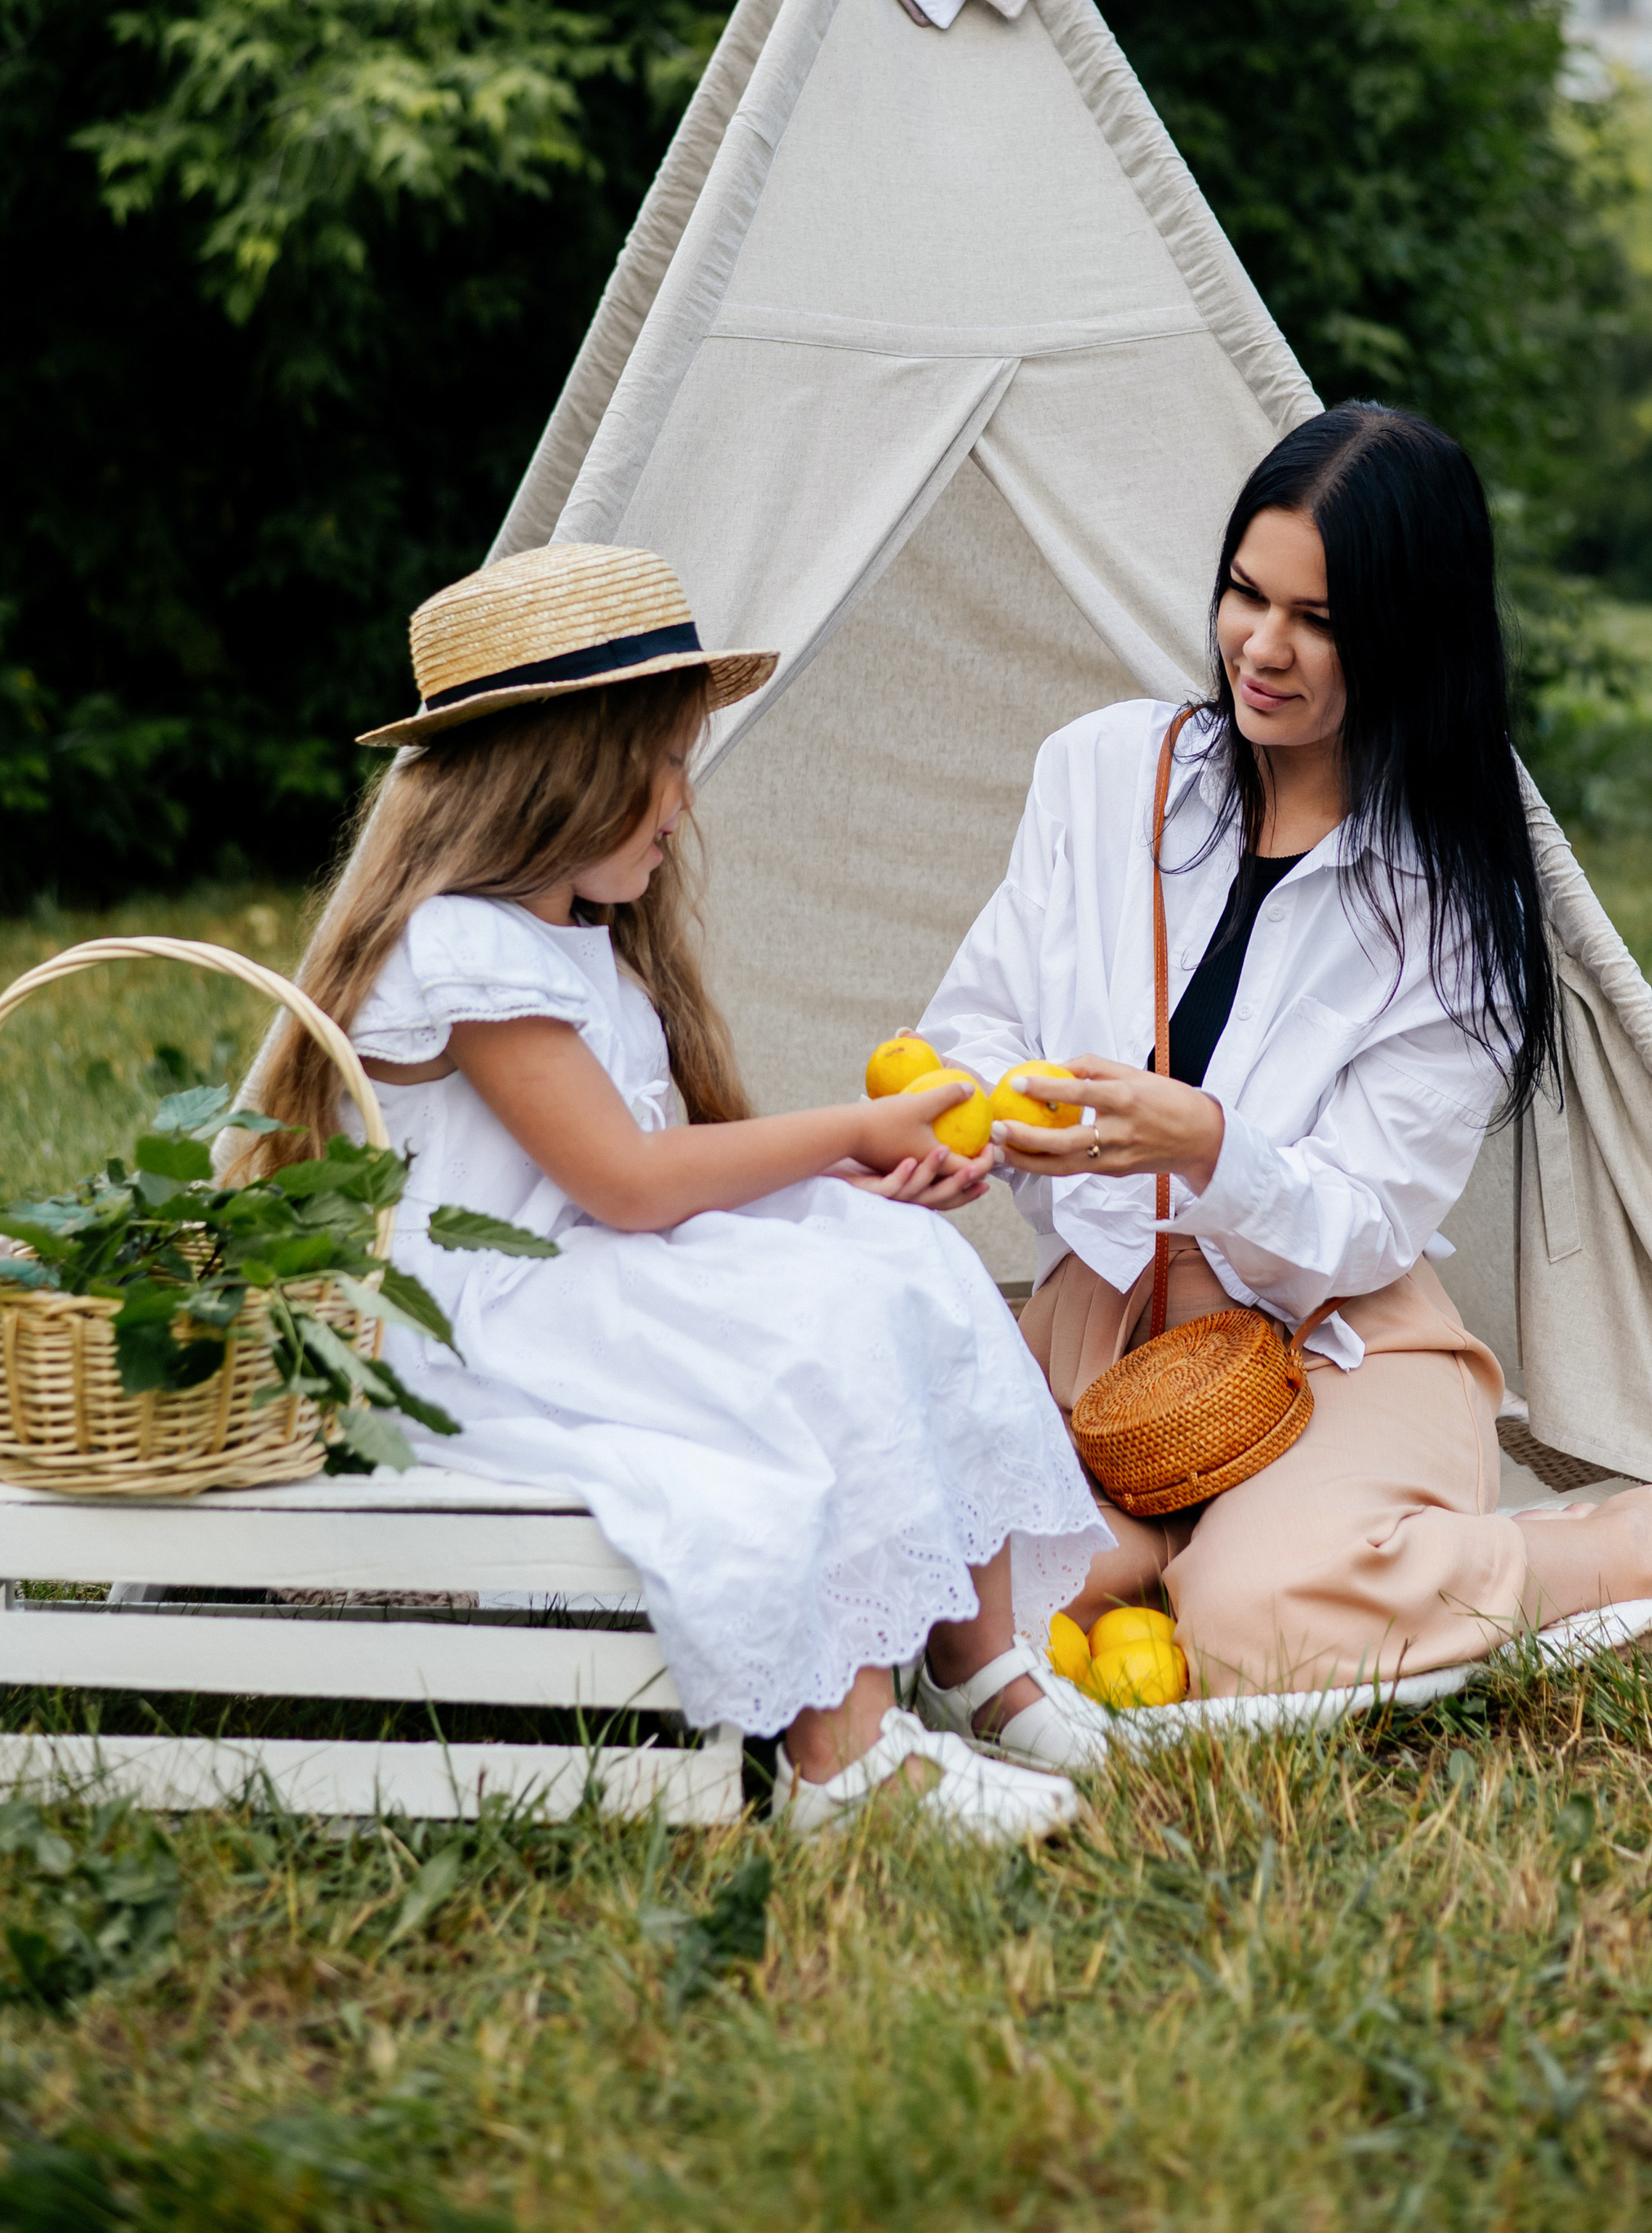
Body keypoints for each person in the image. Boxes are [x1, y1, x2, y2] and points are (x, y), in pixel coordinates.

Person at [914, 403, 1652, 1727]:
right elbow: (977, 1020)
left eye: (1319, 621)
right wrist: (981, 1122)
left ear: (1407, 637)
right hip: (1108, 1337)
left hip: (1333, 1350)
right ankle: (1166, 1552)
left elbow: (1372, 1218)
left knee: (1264, 1628)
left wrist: (1205, 1145)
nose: (1263, 650)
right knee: (963, 1605)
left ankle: (1620, 1549)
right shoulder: (1101, 774)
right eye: (1245, 596)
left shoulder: (1454, 905)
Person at [242, 541, 1107, 1838]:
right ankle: (842, 1756)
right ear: (564, 775)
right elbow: (630, 1182)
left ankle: (977, 1660)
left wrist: (849, 1184)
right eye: (661, 768)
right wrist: (845, 1129)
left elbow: (653, 1181)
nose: (679, 807)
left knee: (902, 1263)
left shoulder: (577, 938)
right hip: (493, 1322)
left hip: (590, 1271)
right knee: (802, 1337)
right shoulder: (464, 946)